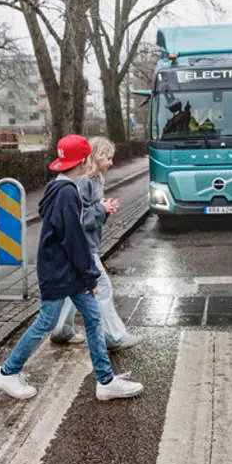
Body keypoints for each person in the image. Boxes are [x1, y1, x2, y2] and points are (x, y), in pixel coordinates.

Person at [0, 134, 144, 401]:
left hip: (66, 272)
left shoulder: (59, 188)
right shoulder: (66, 193)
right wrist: (90, 275)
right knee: (45, 322)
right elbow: (73, 240)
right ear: (84, 160)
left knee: (94, 318)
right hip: (61, 273)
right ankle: (7, 372)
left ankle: (105, 381)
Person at [50, 137, 142, 351]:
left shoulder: (93, 179)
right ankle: (113, 337)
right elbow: (78, 218)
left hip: (80, 246)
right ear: (96, 156)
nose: (111, 162)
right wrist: (102, 209)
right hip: (82, 247)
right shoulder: (84, 181)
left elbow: (89, 215)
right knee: (103, 288)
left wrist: (104, 209)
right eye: (107, 157)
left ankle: (61, 330)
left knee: (74, 289)